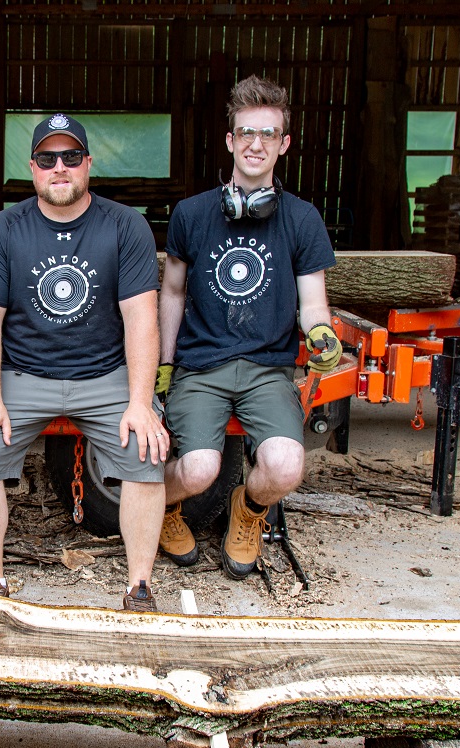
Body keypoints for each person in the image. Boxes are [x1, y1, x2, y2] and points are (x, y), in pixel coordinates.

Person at [0, 113, 167, 611]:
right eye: (48, 159)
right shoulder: (5, 228)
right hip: (24, 374)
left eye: (70, 157)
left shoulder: (125, 225)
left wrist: (140, 401)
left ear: (88, 164)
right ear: (32, 168)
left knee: (146, 453)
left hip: (104, 374)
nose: (60, 167)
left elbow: (141, 319)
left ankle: (139, 587)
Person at [156, 75, 342, 579]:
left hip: (267, 368)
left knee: (284, 467)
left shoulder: (302, 220)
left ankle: (249, 511)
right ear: (229, 140)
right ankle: (166, 509)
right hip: (202, 366)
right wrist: (165, 364)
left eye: (267, 134)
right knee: (197, 470)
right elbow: (171, 292)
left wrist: (321, 335)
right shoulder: (192, 214)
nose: (255, 144)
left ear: (284, 143)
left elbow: (313, 304)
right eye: (245, 133)